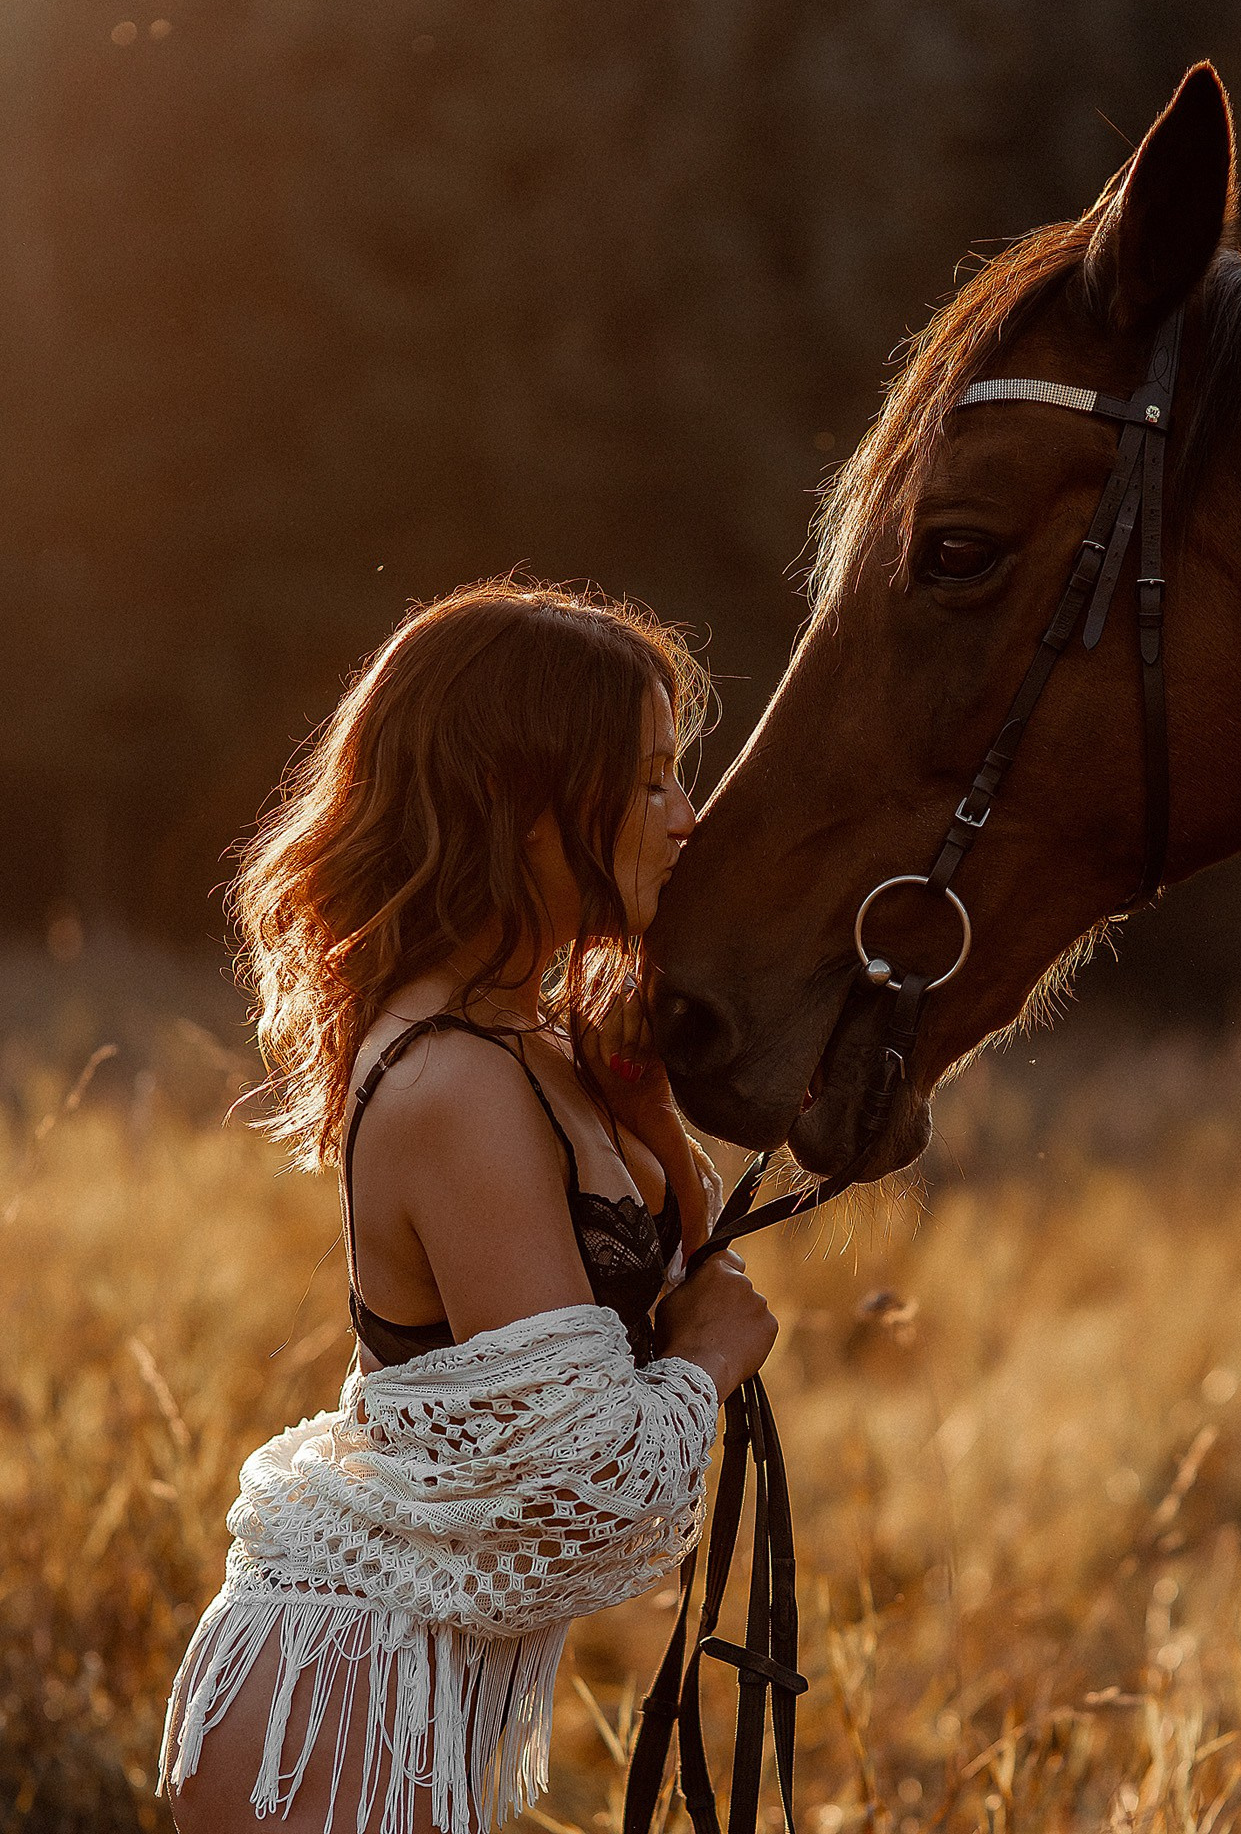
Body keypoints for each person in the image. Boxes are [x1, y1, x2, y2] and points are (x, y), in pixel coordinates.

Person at [160, 578, 777, 1834]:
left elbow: (645, 1305)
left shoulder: (525, 1037)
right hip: (335, 1703)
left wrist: (655, 1125)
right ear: (524, 800)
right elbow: (584, 1498)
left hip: (407, 1689)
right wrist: (708, 1364)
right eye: (650, 778)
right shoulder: (453, 1079)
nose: (686, 815)